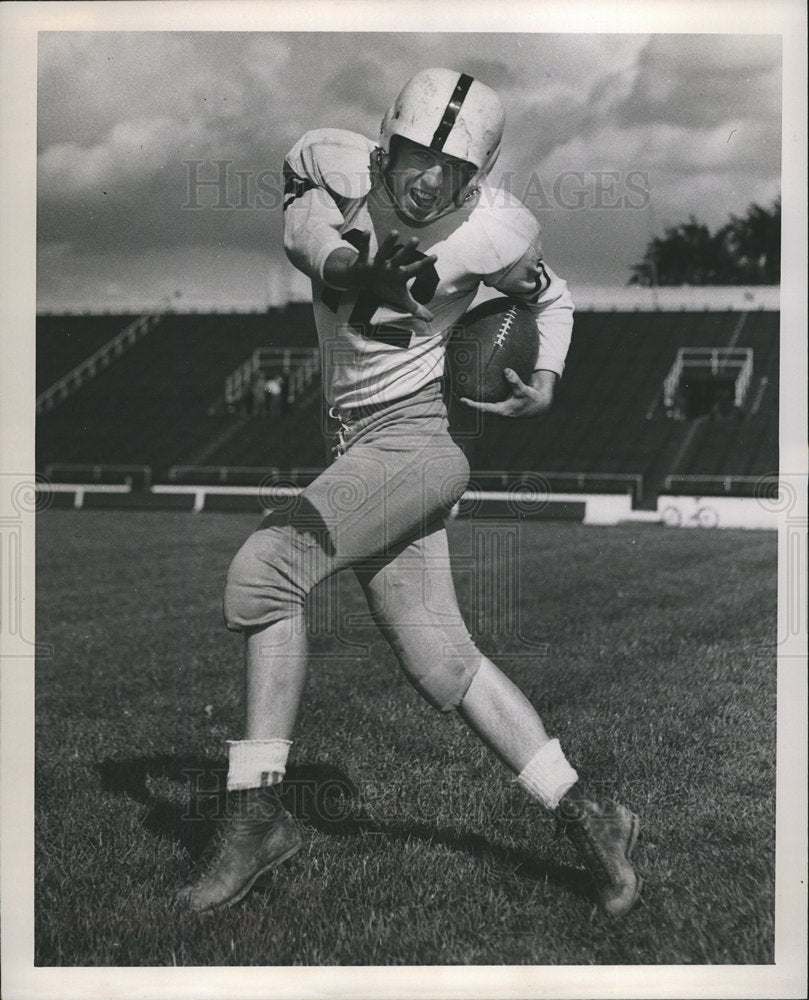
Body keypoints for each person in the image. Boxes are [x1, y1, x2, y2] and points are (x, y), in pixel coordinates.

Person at [177, 68, 642, 918]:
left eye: (451, 168)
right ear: (385, 144)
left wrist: (545, 372)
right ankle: (591, 814)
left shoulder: (496, 230)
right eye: (414, 156)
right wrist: (355, 265)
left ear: (478, 178)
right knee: (444, 663)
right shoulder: (333, 166)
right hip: (354, 438)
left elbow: (556, 295)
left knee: (264, 574)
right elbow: (302, 227)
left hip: (421, 438)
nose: (427, 178)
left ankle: (255, 817)